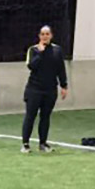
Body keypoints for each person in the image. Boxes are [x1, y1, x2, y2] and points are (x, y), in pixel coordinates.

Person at [21, 25, 68, 153]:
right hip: (34, 89)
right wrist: (40, 53)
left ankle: (43, 143)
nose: (45, 36)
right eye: (42, 34)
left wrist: (64, 85)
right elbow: (31, 66)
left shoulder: (57, 50)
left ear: (51, 36)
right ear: (39, 36)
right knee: (30, 116)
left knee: (45, 116)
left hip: (50, 90)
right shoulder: (33, 50)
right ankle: (25, 144)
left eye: (47, 34)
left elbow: (60, 69)